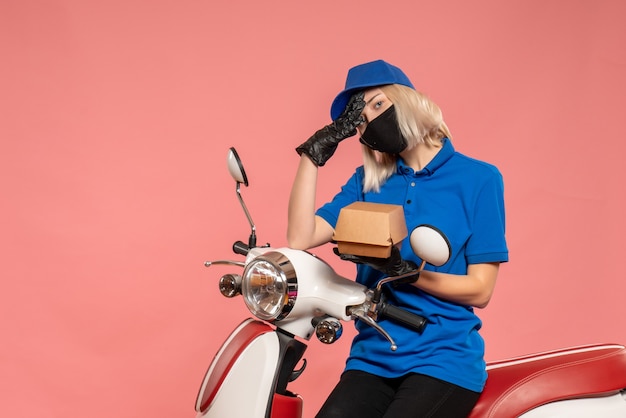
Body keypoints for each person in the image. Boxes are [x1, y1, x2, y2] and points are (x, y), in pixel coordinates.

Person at [287, 59, 509, 418]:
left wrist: (408, 273)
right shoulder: (367, 182)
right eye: (359, 119)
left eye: (377, 105)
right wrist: (313, 154)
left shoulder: (478, 179)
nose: (370, 121)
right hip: (372, 354)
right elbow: (301, 236)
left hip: (443, 358)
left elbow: (480, 290)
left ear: (408, 101)